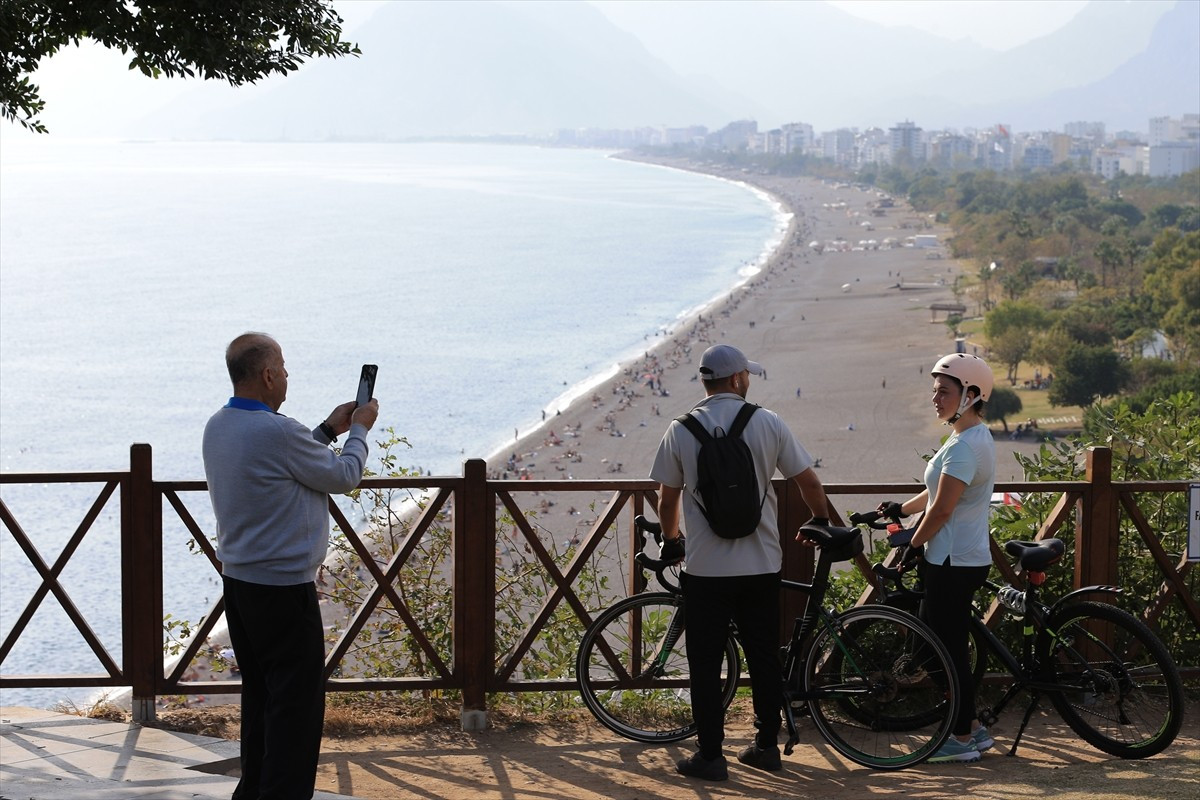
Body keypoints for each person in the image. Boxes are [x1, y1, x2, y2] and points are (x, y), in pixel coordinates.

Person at [202, 332, 379, 799]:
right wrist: (360, 429)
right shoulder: (279, 431)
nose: (286, 375)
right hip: (283, 589)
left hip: (240, 585)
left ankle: (254, 790)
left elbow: (281, 464)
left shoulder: (218, 426)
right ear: (266, 375)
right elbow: (344, 476)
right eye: (282, 367)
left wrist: (326, 431)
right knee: (296, 710)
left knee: (262, 697)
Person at [651, 344, 830, 781]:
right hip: (761, 564)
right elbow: (806, 479)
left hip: (706, 569)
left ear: (705, 382)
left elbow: (667, 496)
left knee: (706, 663)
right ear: (736, 380)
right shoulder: (766, 422)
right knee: (763, 656)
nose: (748, 380)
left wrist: (673, 541)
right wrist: (820, 520)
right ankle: (767, 745)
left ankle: (711, 756)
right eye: (746, 375)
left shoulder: (681, 429)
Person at [882, 352, 995, 764]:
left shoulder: (966, 446)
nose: (936, 399)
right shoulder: (967, 438)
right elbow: (936, 493)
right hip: (955, 558)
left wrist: (911, 545)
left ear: (970, 395)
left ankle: (961, 738)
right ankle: (975, 728)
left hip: (952, 562)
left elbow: (943, 509)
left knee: (946, 652)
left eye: (944, 392)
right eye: (934, 391)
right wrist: (901, 511)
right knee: (935, 649)